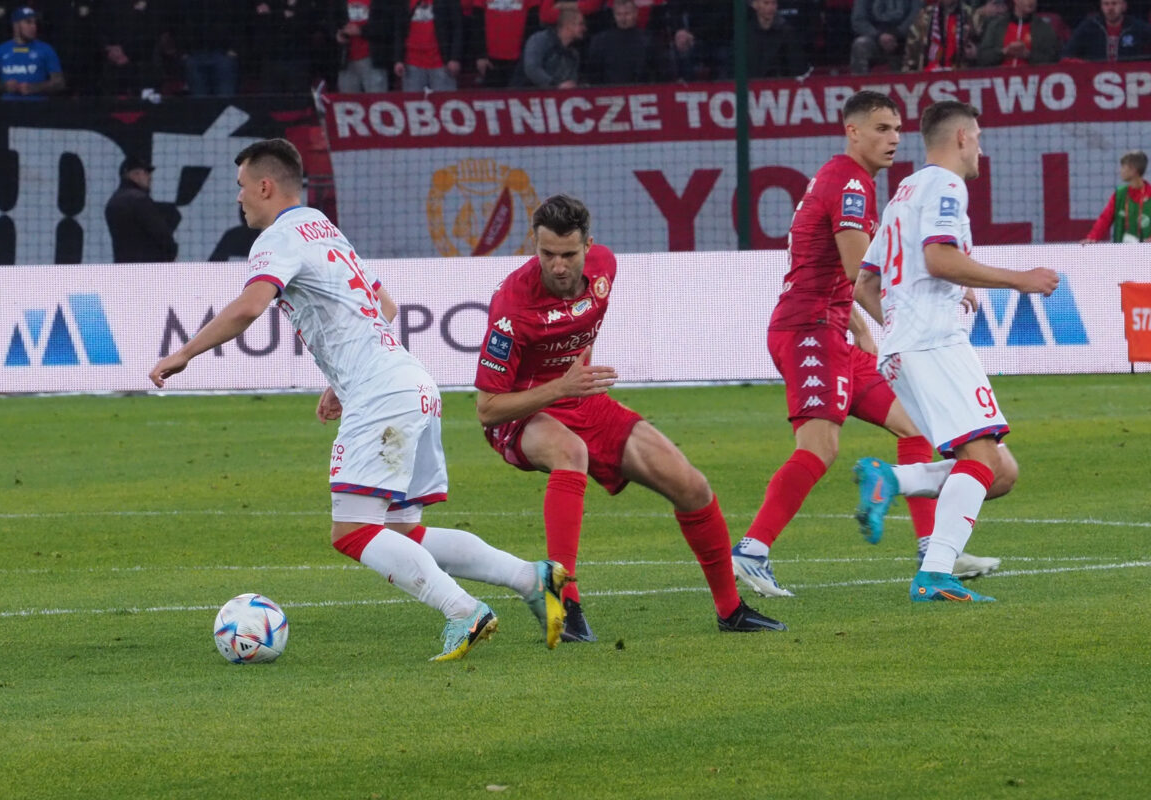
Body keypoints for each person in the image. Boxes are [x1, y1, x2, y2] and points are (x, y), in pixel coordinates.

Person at [149, 138, 571, 661]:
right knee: (402, 531)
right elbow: (385, 306)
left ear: (265, 185)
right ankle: (531, 577)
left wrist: (183, 354)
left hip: (384, 397)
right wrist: (339, 383)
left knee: (351, 530)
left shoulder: (279, 238)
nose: (239, 199)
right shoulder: (323, 228)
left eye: (241, 188)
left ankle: (463, 610)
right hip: (409, 384)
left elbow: (248, 307)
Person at [473, 194, 787, 640]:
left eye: (568, 254)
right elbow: (486, 409)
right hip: (522, 410)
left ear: (589, 246)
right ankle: (564, 602)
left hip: (580, 399)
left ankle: (731, 610)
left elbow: (583, 328)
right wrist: (560, 388)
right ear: (533, 246)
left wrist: (576, 379)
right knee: (571, 451)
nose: (558, 266)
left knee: (692, 486)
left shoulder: (605, 268)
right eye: (547, 255)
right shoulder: (513, 305)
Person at [730, 91, 1000, 599]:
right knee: (820, 446)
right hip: (808, 331)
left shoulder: (851, 181)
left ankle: (934, 549)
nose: (893, 138)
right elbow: (859, 272)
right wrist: (903, 324)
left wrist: (859, 324)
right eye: (880, 128)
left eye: (897, 128)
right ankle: (752, 548)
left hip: (829, 327)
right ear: (852, 131)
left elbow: (844, 278)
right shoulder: (850, 183)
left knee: (916, 426)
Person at [854, 101, 1059, 603]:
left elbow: (864, 285)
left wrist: (903, 327)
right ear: (963, 137)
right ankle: (935, 573)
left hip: (905, 350)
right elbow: (939, 257)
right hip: (934, 344)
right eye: (980, 139)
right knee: (983, 457)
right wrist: (1020, 281)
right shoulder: (947, 186)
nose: (981, 151)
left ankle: (892, 478)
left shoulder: (902, 194)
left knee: (1000, 471)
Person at [105, 156, 179, 263]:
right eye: (146, 172)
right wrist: (172, 252)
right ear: (134, 175)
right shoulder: (139, 200)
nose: (150, 177)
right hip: (149, 270)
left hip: (122, 270)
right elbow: (162, 235)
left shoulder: (112, 203)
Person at [0, 7, 66, 99]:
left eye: (35, 23)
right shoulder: (0, 50)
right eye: (28, 22)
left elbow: (59, 83)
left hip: (38, 109)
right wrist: (5, 87)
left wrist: (34, 88)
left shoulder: (46, 50)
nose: (33, 27)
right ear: (16, 25)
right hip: (8, 109)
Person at [585, 0, 672, 84]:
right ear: (613, 15)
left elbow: (662, 72)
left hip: (640, 91)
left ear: (635, 13)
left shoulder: (649, 40)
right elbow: (593, 73)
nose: (623, 19)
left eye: (627, 14)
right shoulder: (600, 41)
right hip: (608, 93)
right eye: (619, 14)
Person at [1081, 150, 1151, 243]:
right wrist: (1092, 238)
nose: (1120, 171)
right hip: (1120, 253)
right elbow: (1105, 219)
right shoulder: (1120, 194)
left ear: (1133, 170)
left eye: (1123, 167)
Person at [394, 0, 463, 93]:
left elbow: (458, 26)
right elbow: (399, 30)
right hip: (411, 64)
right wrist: (398, 60)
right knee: (413, 104)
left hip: (441, 63)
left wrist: (455, 57)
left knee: (444, 103)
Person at [512, 7, 586, 88]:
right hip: (524, 94)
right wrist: (555, 85)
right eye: (581, 24)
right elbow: (532, 69)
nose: (584, 28)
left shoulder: (573, 54)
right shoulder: (540, 40)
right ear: (568, 25)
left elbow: (570, 82)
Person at [901, 0, 982, 72]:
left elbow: (985, 49)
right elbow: (911, 51)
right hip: (928, 75)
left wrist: (976, 52)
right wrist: (909, 77)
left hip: (961, 75)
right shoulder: (924, 16)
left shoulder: (971, 15)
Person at [976, 0, 1061, 68]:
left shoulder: (1044, 28)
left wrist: (1028, 55)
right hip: (999, 83)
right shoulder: (996, 26)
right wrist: (1004, 52)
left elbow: (1053, 60)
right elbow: (983, 57)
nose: (1031, 1)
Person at [1063, 0, 1151, 62]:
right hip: (1095, 78)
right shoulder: (1089, 27)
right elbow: (1067, 55)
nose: (1110, 8)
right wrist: (1085, 64)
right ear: (1101, 6)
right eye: (1106, 4)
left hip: (1129, 78)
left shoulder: (1136, 26)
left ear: (1124, 6)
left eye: (1114, 3)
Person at [850, 0, 923, 74]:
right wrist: (878, 36)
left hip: (905, 37)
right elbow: (858, 20)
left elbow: (918, 14)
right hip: (874, 38)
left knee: (918, 42)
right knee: (860, 45)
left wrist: (897, 33)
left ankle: (916, 81)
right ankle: (859, 82)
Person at [338, 0, 394, 93]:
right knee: (348, 103)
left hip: (373, 60)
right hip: (346, 60)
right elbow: (330, 19)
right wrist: (337, 34)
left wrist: (361, 31)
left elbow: (388, 26)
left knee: (377, 102)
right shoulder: (340, 2)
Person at [746, 0, 808, 79]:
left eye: (774, 3)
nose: (771, 8)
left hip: (779, 85)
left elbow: (796, 67)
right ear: (755, 5)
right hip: (750, 85)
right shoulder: (745, 32)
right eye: (766, 3)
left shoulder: (787, 33)